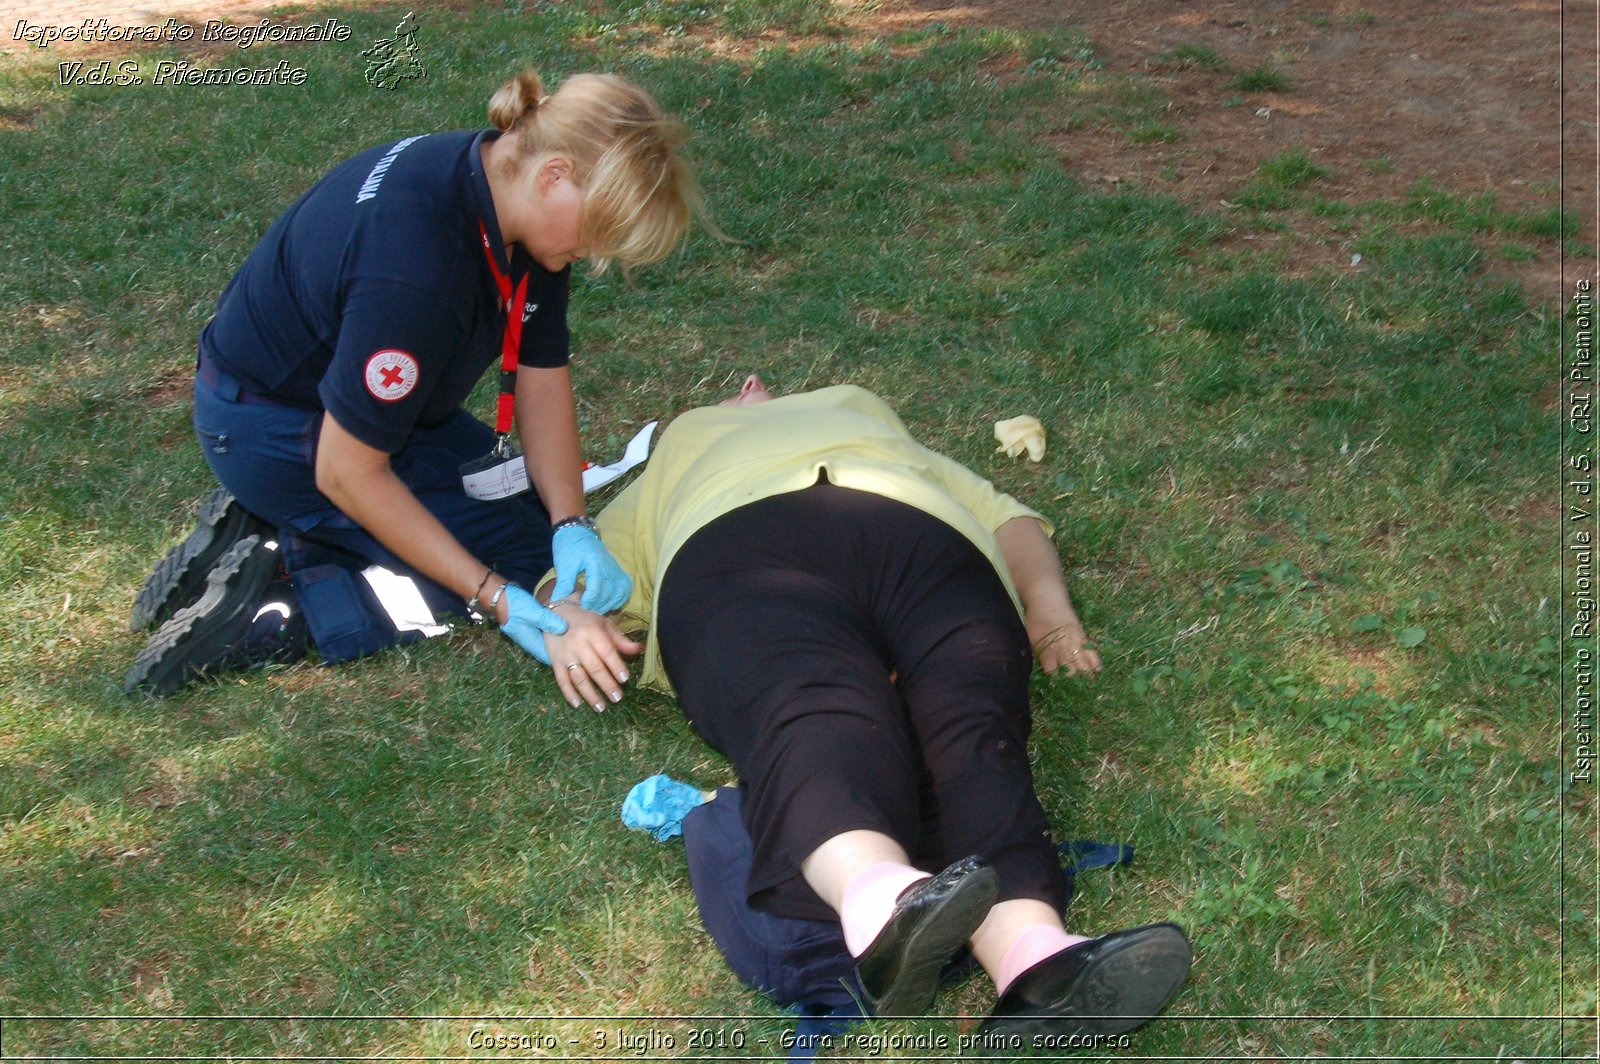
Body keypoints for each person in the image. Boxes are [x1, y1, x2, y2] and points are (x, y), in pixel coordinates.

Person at [534, 375, 1192, 1042]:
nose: (746, 386)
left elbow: (1007, 517)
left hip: (916, 530)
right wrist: (565, 612)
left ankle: (1036, 957)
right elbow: (579, 579)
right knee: (810, 704)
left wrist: (1050, 608)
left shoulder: (864, 417)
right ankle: (882, 900)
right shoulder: (672, 463)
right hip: (734, 544)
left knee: (971, 728)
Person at [125, 68, 710, 696]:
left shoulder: (502, 182)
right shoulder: (417, 274)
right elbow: (348, 471)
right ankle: (272, 607)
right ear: (555, 176)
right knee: (505, 565)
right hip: (275, 430)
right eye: (600, 229)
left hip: (348, 411)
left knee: (533, 530)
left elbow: (542, 379)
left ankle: (267, 529)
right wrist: (498, 600)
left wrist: (571, 523)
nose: (596, 253)